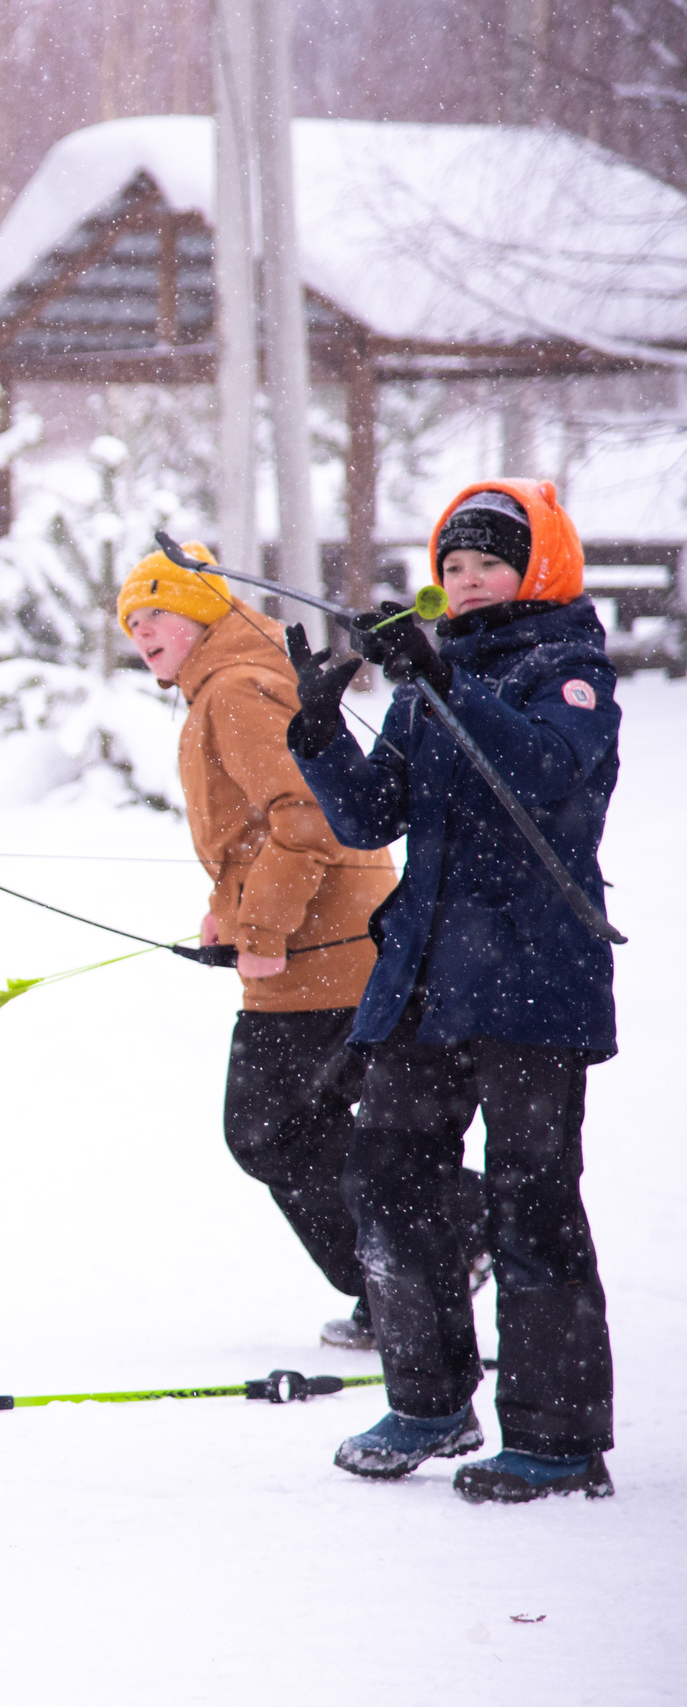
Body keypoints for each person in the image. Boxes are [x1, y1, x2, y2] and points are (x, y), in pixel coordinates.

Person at [286, 480, 619, 1504]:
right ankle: (429, 1400)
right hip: (426, 981)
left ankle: (558, 1441)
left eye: (487, 566)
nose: (467, 585)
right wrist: (319, 728)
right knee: (385, 1182)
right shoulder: (437, 677)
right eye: (453, 570)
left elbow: (538, 775)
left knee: (531, 1204)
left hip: (530, 980)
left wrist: (441, 683)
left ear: (537, 568)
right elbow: (369, 817)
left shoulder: (569, 672)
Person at [115, 544, 435, 1350]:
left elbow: (309, 818)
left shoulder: (236, 690)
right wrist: (232, 909)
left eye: (158, 612)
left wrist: (261, 929)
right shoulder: (229, 682)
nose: (142, 630)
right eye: (132, 620)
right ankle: (401, 1279)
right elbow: (260, 831)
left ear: (202, 612)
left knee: (271, 1128)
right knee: (307, 1124)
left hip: (324, 950)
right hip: (325, 943)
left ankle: (449, 1240)